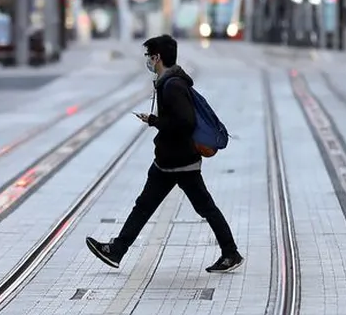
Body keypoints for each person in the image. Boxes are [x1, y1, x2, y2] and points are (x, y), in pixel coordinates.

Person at [85, 35, 242, 273]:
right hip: (168, 161)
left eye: (149, 56)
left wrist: (155, 121)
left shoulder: (172, 86)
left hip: (180, 162)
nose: (147, 60)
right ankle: (116, 250)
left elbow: (185, 122)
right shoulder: (169, 82)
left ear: (157, 57)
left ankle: (231, 253)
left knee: (204, 207)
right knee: (144, 206)